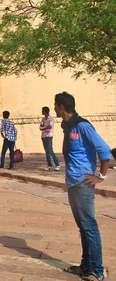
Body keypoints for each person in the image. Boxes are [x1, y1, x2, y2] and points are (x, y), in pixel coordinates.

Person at [56, 92, 110, 281]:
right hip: (73, 182)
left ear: (62, 107)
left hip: (83, 183)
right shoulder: (68, 126)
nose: (54, 108)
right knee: (83, 226)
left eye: (56, 105)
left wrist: (101, 176)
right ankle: (86, 265)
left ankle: (97, 270)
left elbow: (104, 150)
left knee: (89, 226)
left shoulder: (82, 126)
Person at [40, 106, 60, 171]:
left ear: (45, 111)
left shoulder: (50, 119)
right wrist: (45, 127)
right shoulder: (43, 119)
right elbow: (40, 128)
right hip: (44, 136)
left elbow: (50, 127)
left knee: (50, 150)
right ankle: (49, 165)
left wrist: (44, 127)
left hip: (49, 136)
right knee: (47, 152)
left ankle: (57, 164)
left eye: (42, 110)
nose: (41, 112)